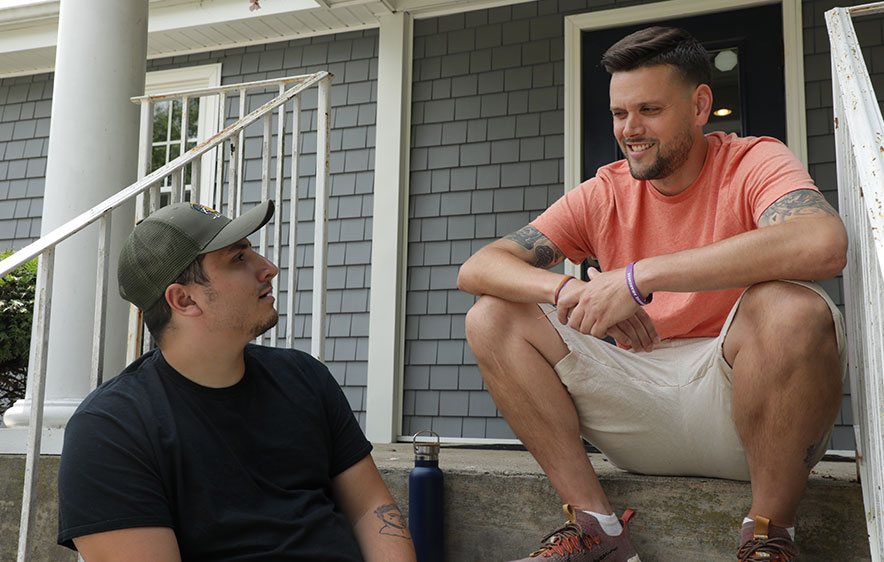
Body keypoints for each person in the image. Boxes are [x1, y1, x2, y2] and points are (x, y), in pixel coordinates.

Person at [458, 26, 846, 562]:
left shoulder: (753, 161)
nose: (630, 130)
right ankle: (597, 531)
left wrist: (638, 278)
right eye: (620, 114)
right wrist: (574, 291)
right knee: (491, 317)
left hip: (743, 404)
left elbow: (822, 243)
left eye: (649, 110)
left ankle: (767, 537)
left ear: (700, 105)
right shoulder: (605, 190)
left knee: (792, 308)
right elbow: (479, 266)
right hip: (638, 398)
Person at [57, 200, 416, 562]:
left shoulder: (304, 377)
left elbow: (371, 508)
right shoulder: (111, 430)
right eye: (238, 259)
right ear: (184, 299)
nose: (269, 268)